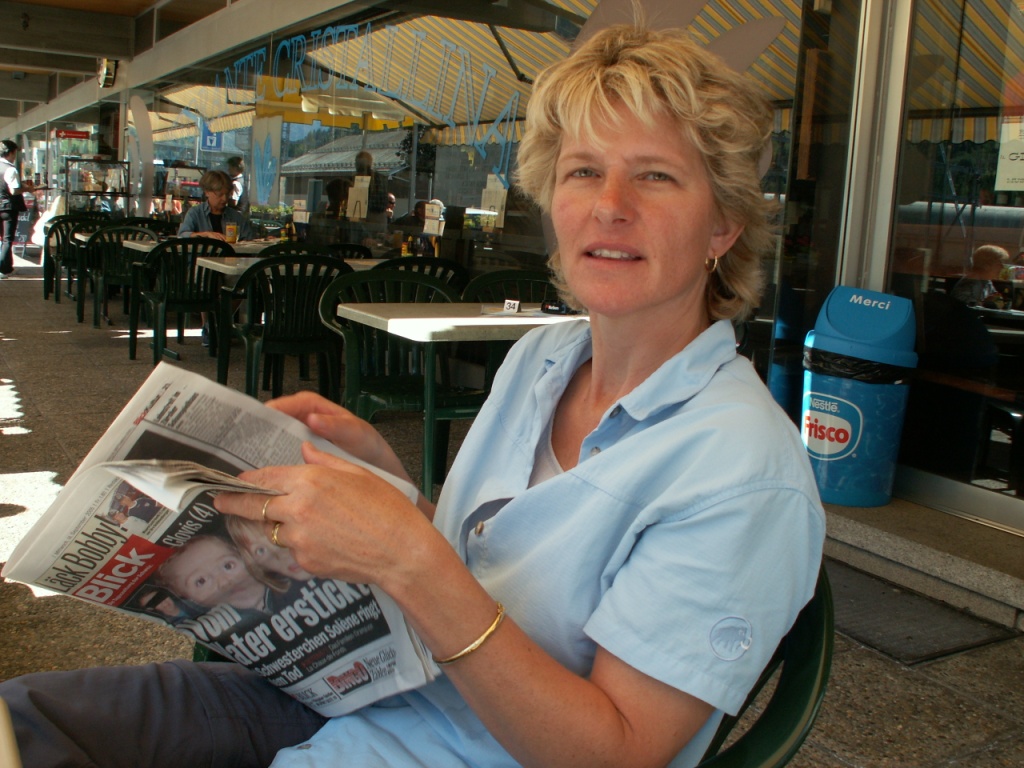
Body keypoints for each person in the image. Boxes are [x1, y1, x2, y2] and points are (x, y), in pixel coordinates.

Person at [0, 23, 825, 768]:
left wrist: (407, 555)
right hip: (353, 701)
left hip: (437, 745)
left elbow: (616, 753)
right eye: (583, 172)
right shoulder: (542, 359)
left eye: (656, 176)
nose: (610, 207)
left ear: (723, 226)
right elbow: (492, 579)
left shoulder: (740, 471)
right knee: (25, 719)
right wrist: (385, 483)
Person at [177, 169, 253, 242]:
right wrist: (205, 235)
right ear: (207, 192)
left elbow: (249, 240)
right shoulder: (195, 213)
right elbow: (182, 235)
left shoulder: (235, 217)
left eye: (227, 194)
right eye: (220, 194)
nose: (224, 199)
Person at [0, 139, 32, 278]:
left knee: (1, 239)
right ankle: (3, 269)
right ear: (11, 153)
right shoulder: (10, 169)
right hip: (8, 207)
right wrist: (28, 188)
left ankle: (7, 267)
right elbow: (14, 190)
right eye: (15, 153)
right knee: (7, 239)